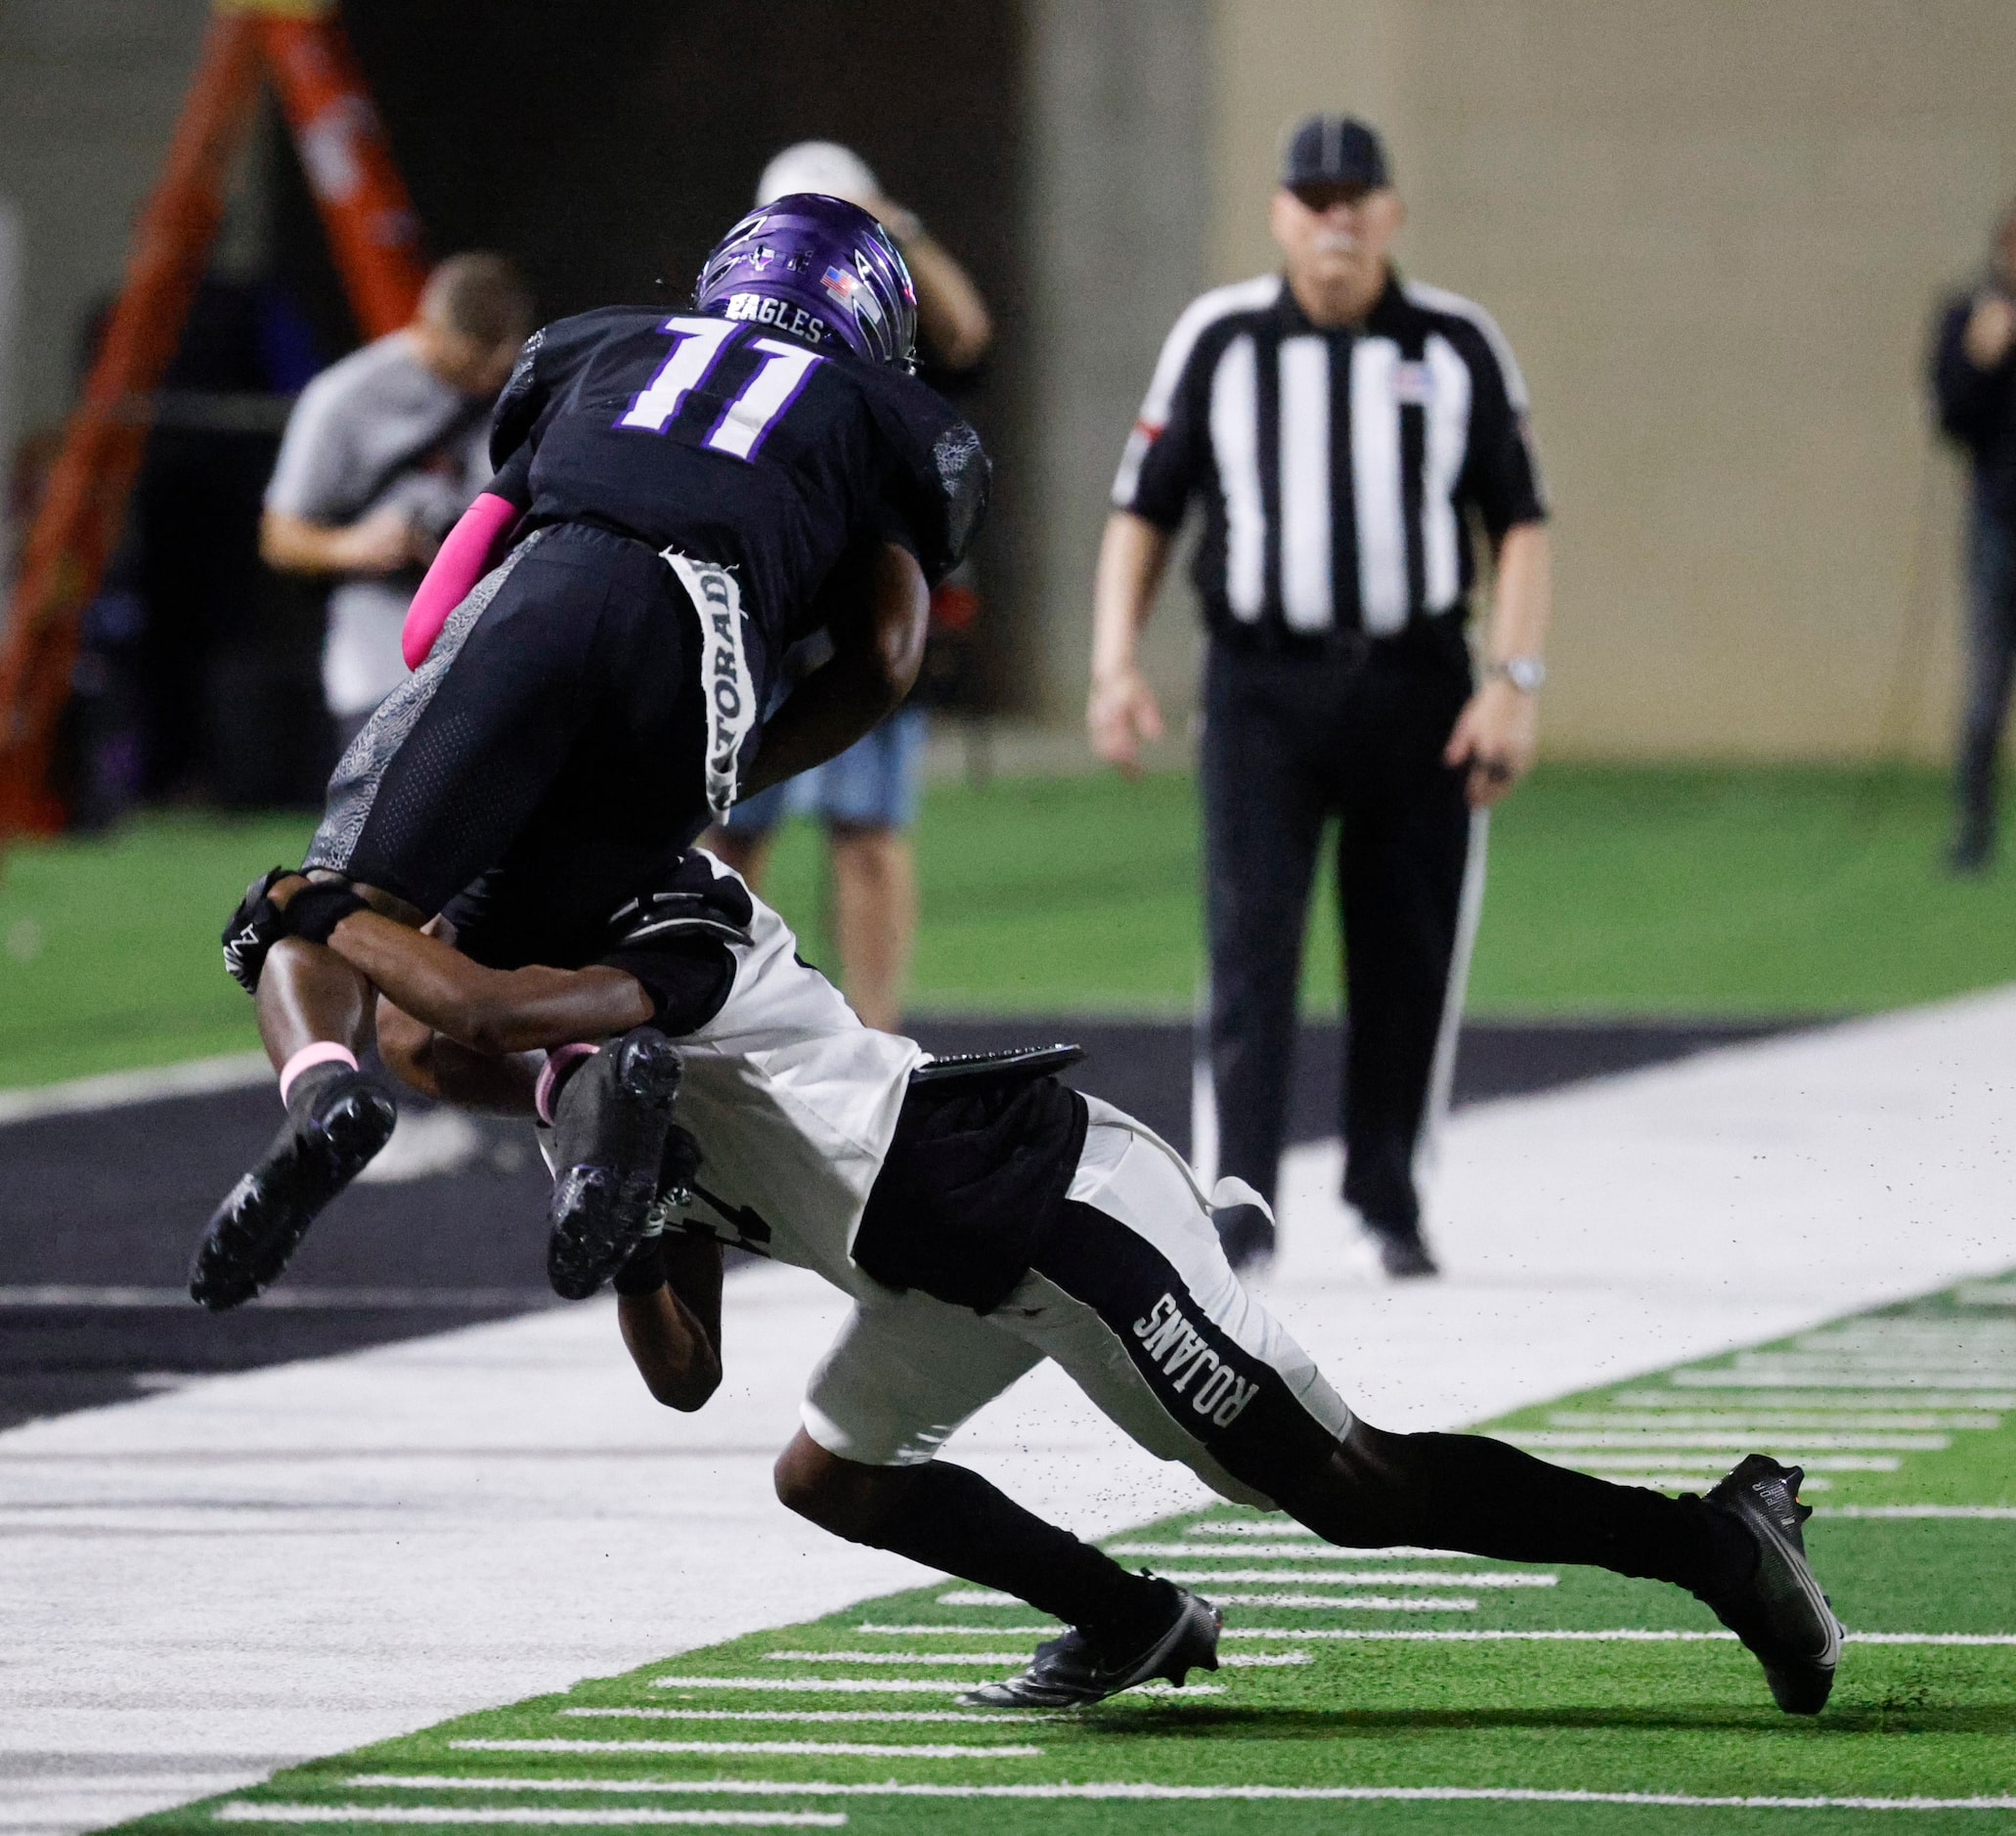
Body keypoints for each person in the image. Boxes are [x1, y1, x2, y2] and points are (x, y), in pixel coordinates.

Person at [227, 846, 1842, 1719]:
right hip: (932, 1263)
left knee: (1347, 1488)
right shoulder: (583, 1097)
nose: (399, 1036)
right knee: (830, 1470)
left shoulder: (676, 922)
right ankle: (1132, 1616)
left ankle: (1712, 1540)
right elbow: (685, 1371)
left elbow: (486, 1013)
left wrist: (325, 911)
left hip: (1052, 1209)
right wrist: (630, 1220)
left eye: (413, 985)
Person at [193, 196, 989, 1315]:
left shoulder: (600, 343)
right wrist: (742, 754)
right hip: (705, 676)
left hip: (553, 594)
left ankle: (323, 1090)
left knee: (334, 908)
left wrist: (465, 720)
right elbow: (888, 657)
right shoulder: (890, 416)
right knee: (497, 985)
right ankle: (590, 1093)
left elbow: (433, 616)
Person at [1088, 114, 1552, 1279]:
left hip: (1416, 679)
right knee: (1250, 940)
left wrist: (1513, 682)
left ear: (1392, 211)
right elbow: (1145, 509)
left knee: (1409, 942)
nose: (1334, 218)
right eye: (1312, 197)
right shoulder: (1221, 338)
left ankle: (1388, 1189)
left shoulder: (1455, 343)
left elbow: (1521, 524)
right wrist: (1113, 661)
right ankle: (1240, 1201)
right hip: (1263, 682)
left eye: (1355, 196)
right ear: (1280, 214)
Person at [709, 142, 994, 1029]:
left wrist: (898, 227)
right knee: (730, 826)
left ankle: (876, 1027)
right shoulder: (739, 324)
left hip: (858, 602)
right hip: (765, 603)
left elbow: (969, 343)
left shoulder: (887, 326)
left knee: (866, 830)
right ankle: (712, 1013)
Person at [262, 254, 535, 752]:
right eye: (468, 366)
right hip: (382, 657)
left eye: (493, 370)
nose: (482, 383)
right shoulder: (344, 398)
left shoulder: (518, 389)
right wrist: (356, 547)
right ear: (428, 330)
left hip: (491, 652)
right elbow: (279, 536)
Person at [1931, 200, 2016, 874]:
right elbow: (1948, 416)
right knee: (1985, 690)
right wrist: (1979, 357)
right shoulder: (1971, 315)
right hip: (1997, 523)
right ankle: (1974, 831)